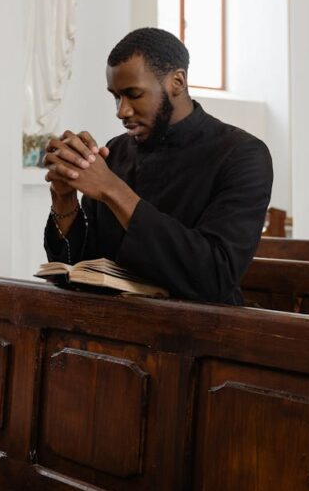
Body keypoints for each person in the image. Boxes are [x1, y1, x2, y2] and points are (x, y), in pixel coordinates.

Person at [43, 28, 273, 304]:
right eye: (116, 96)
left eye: (134, 94)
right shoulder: (115, 151)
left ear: (177, 82)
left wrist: (113, 189)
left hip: (202, 333)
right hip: (111, 325)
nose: (121, 110)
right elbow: (83, 267)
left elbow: (215, 275)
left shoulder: (242, 155)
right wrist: (64, 196)